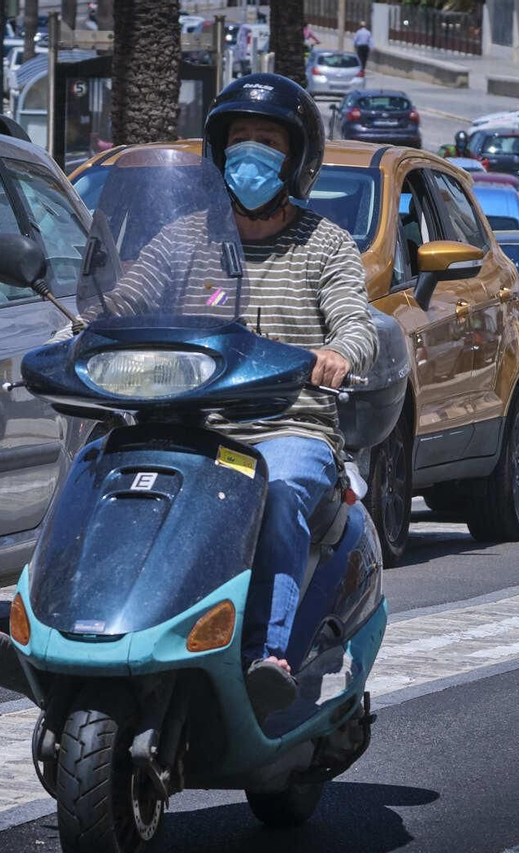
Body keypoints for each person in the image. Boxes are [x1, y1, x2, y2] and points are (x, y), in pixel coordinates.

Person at [102, 75, 375, 713]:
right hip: (188, 427)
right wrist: (77, 331)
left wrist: (338, 354)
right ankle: (59, 625)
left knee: (277, 491)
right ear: (217, 152)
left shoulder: (326, 244)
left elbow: (354, 323)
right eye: (240, 139)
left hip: (290, 429)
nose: (251, 152)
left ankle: (265, 654)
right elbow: (124, 303)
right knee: (100, 468)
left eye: (268, 141)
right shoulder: (185, 237)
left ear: (297, 158)